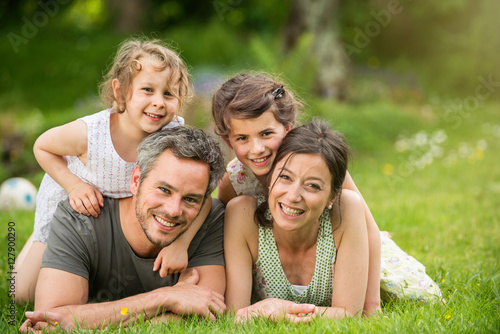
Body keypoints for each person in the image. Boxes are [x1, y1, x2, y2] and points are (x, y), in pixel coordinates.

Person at [212, 73, 442, 310]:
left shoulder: (316, 161)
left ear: (287, 129)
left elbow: (368, 228)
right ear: (229, 141)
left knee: (405, 290)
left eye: (266, 134)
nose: (257, 148)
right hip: (278, 253)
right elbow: (224, 234)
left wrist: (371, 304)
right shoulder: (234, 180)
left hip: (343, 240)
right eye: (242, 138)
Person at [14, 38, 207, 305]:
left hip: (118, 218)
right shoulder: (90, 134)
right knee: (23, 294)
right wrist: (73, 185)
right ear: (120, 91)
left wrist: (180, 244)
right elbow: (43, 146)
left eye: (169, 94)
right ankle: (34, 243)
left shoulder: (173, 134)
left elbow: (204, 195)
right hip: (74, 203)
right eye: (147, 90)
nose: (159, 102)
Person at [20, 126, 227, 331]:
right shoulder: (79, 219)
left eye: (190, 199)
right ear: (136, 180)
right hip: (67, 231)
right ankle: (40, 238)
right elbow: (48, 322)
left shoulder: (210, 218)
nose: (173, 210)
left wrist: (88, 322)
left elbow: (204, 314)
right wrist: (164, 298)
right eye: (164, 190)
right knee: (21, 292)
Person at [224, 120, 369, 321]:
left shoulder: (346, 209)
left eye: (313, 186)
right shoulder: (243, 215)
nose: (293, 196)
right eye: (285, 177)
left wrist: (280, 309)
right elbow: (236, 315)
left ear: (332, 197)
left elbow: (350, 314)